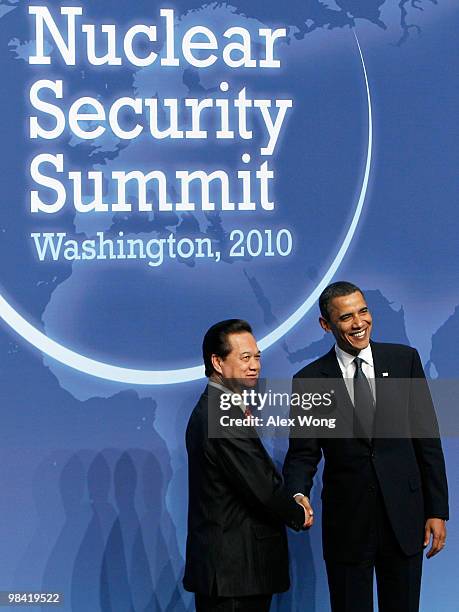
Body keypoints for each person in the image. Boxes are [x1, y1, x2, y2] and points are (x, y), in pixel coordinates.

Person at [283, 281, 449, 612]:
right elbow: (303, 453)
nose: (359, 323)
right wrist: (298, 493)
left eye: (363, 311)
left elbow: (427, 439)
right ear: (325, 325)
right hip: (348, 524)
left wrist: (437, 510)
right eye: (346, 317)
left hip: (404, 517)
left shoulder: (404, 361)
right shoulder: (311, 380)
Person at [183, 319, 310, 612]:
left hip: (234, 574)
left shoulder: (222, 408)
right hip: (235, 575)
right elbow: (261, 487)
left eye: (257, 357)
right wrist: (297, 512)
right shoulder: (220, 414)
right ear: (217, 361)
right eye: (244, 358)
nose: (254, 365)